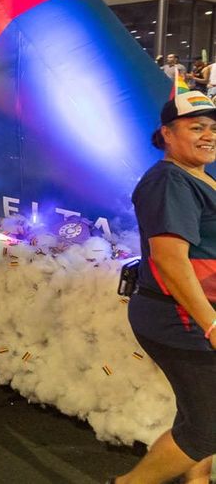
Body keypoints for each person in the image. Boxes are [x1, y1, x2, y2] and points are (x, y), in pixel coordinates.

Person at [113, 89, 216, 484]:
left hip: (194, 314)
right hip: (180, 319)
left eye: (212, 128)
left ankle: (197, 480)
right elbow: (170, 261)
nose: (208, 135)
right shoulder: (169, 181)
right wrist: (211, 324)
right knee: (208, 427)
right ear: (167, 134)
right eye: (196, 127)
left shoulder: (199, 175)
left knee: (198, 414)